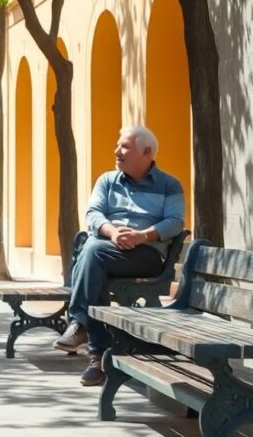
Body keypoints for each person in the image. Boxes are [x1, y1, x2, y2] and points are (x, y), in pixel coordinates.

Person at [54, 126, 185, 386]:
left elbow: (175, 222)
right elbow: (93, 214)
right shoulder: (107, 180)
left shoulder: (169, 185)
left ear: (147, 152)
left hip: (146, 256)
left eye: (125, 146)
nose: (117, 151)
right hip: (107, 250)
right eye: (118, 145)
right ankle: (97, 360)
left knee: (92, 253)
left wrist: (142, 235)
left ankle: (80, 324)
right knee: (95, 262)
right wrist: (112, 232)